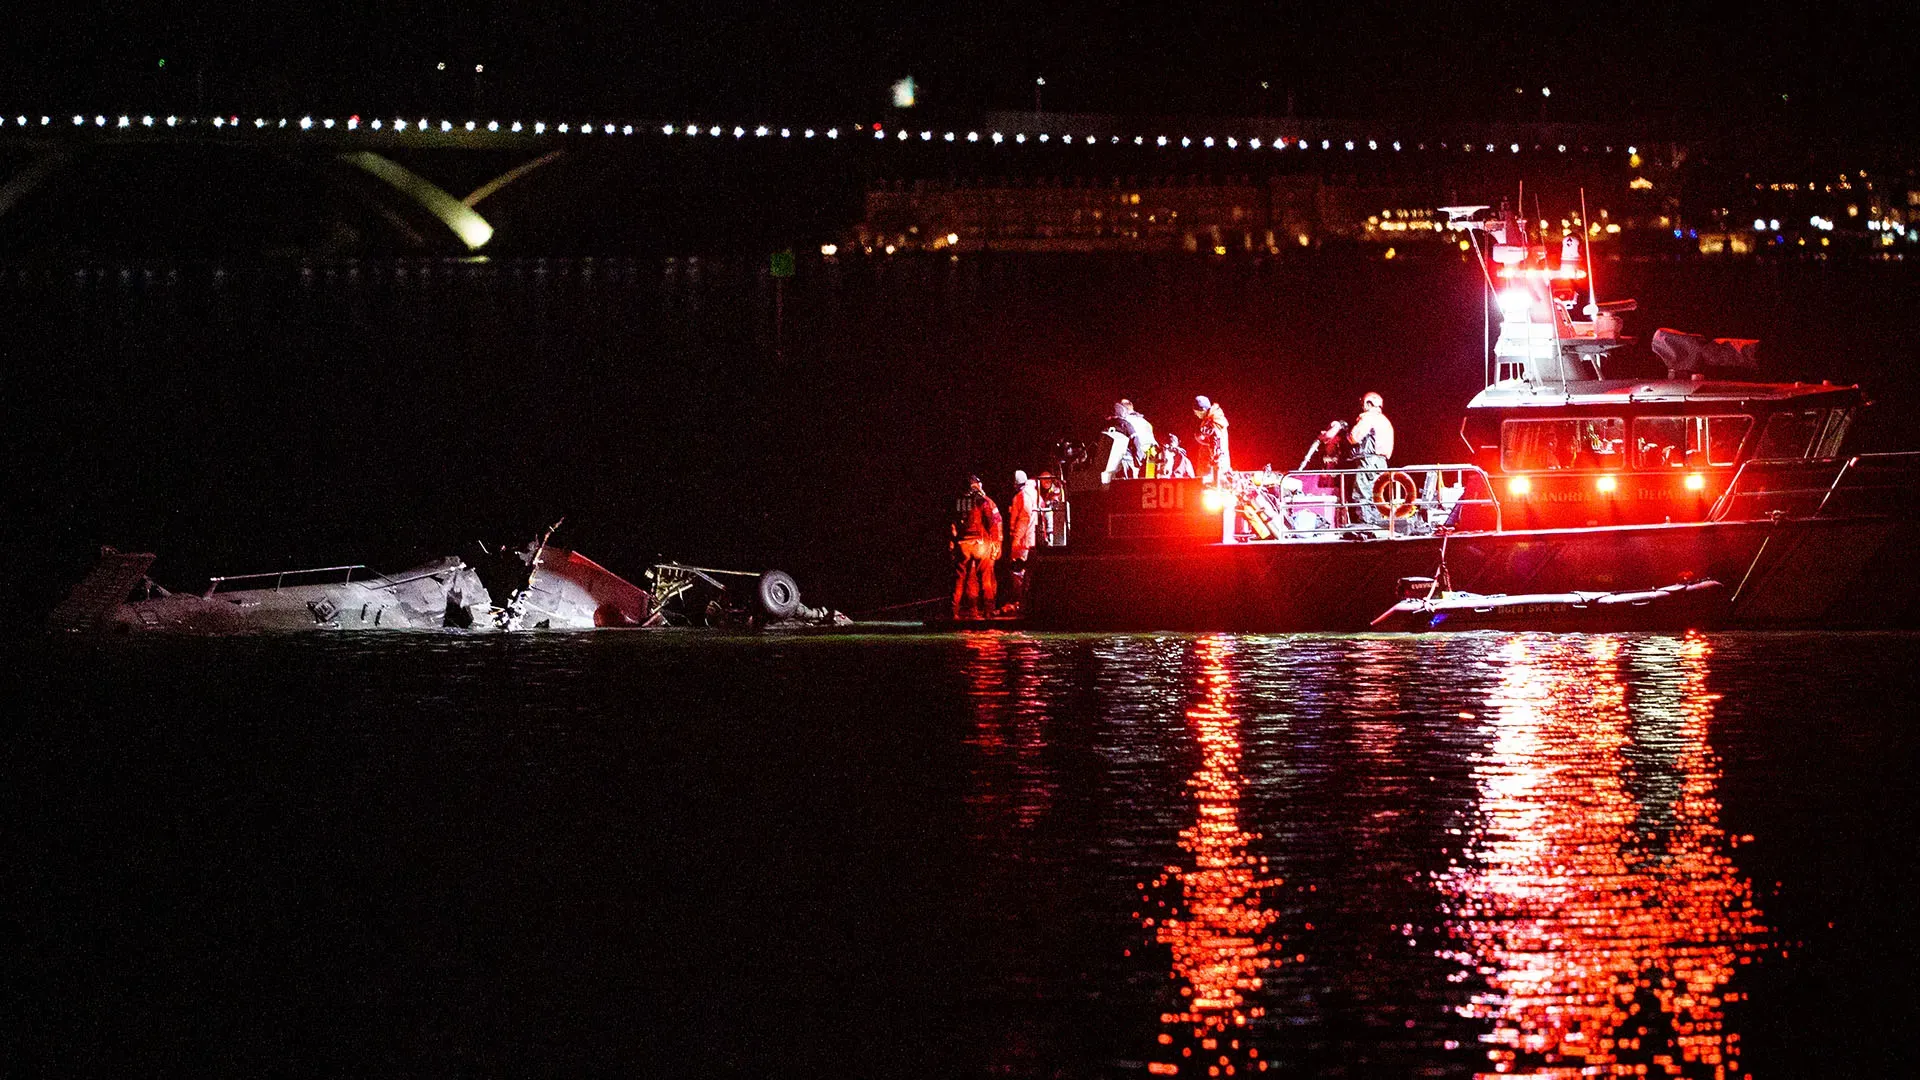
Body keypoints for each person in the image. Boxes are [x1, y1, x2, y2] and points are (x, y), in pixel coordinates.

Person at [951, 475, 1002, 619]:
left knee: (960, 579)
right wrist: (996, 542)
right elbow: (992, 523)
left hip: (963, 545)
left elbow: (955, 524)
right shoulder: (983, 501)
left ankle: (954, 612)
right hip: (980, 544)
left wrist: (954, 542)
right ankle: (988, 610)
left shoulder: (961, 501)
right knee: (986, 579)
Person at [1347, 391, 1396, 526]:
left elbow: (1354, 437)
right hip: (1381, 463)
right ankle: (1376, 522)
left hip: (1368, 461)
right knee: (1376, 494)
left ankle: (1366, 524)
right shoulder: (1385, 421)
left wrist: (1347, 433)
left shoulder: (1368, 418)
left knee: (1363, 492)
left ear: (1368, 403)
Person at [1005, 470, 1040, 610]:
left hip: (1023, 541)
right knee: (1026, 572)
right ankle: (1023, 601)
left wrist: (1016, 539)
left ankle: (1020, 601)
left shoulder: (1023, 495)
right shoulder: (1034, 493)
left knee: (1017, 571)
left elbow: (1024, 518)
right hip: (1030, 540)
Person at [1192, 396, 1231, 483]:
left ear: (1203, 410)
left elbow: (1215, 443)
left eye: (1196, 412)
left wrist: (1200, 438)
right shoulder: (1215, 419)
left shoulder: (1213, 422)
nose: (1195, 414)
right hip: (1217, 466)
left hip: (1212, 469)